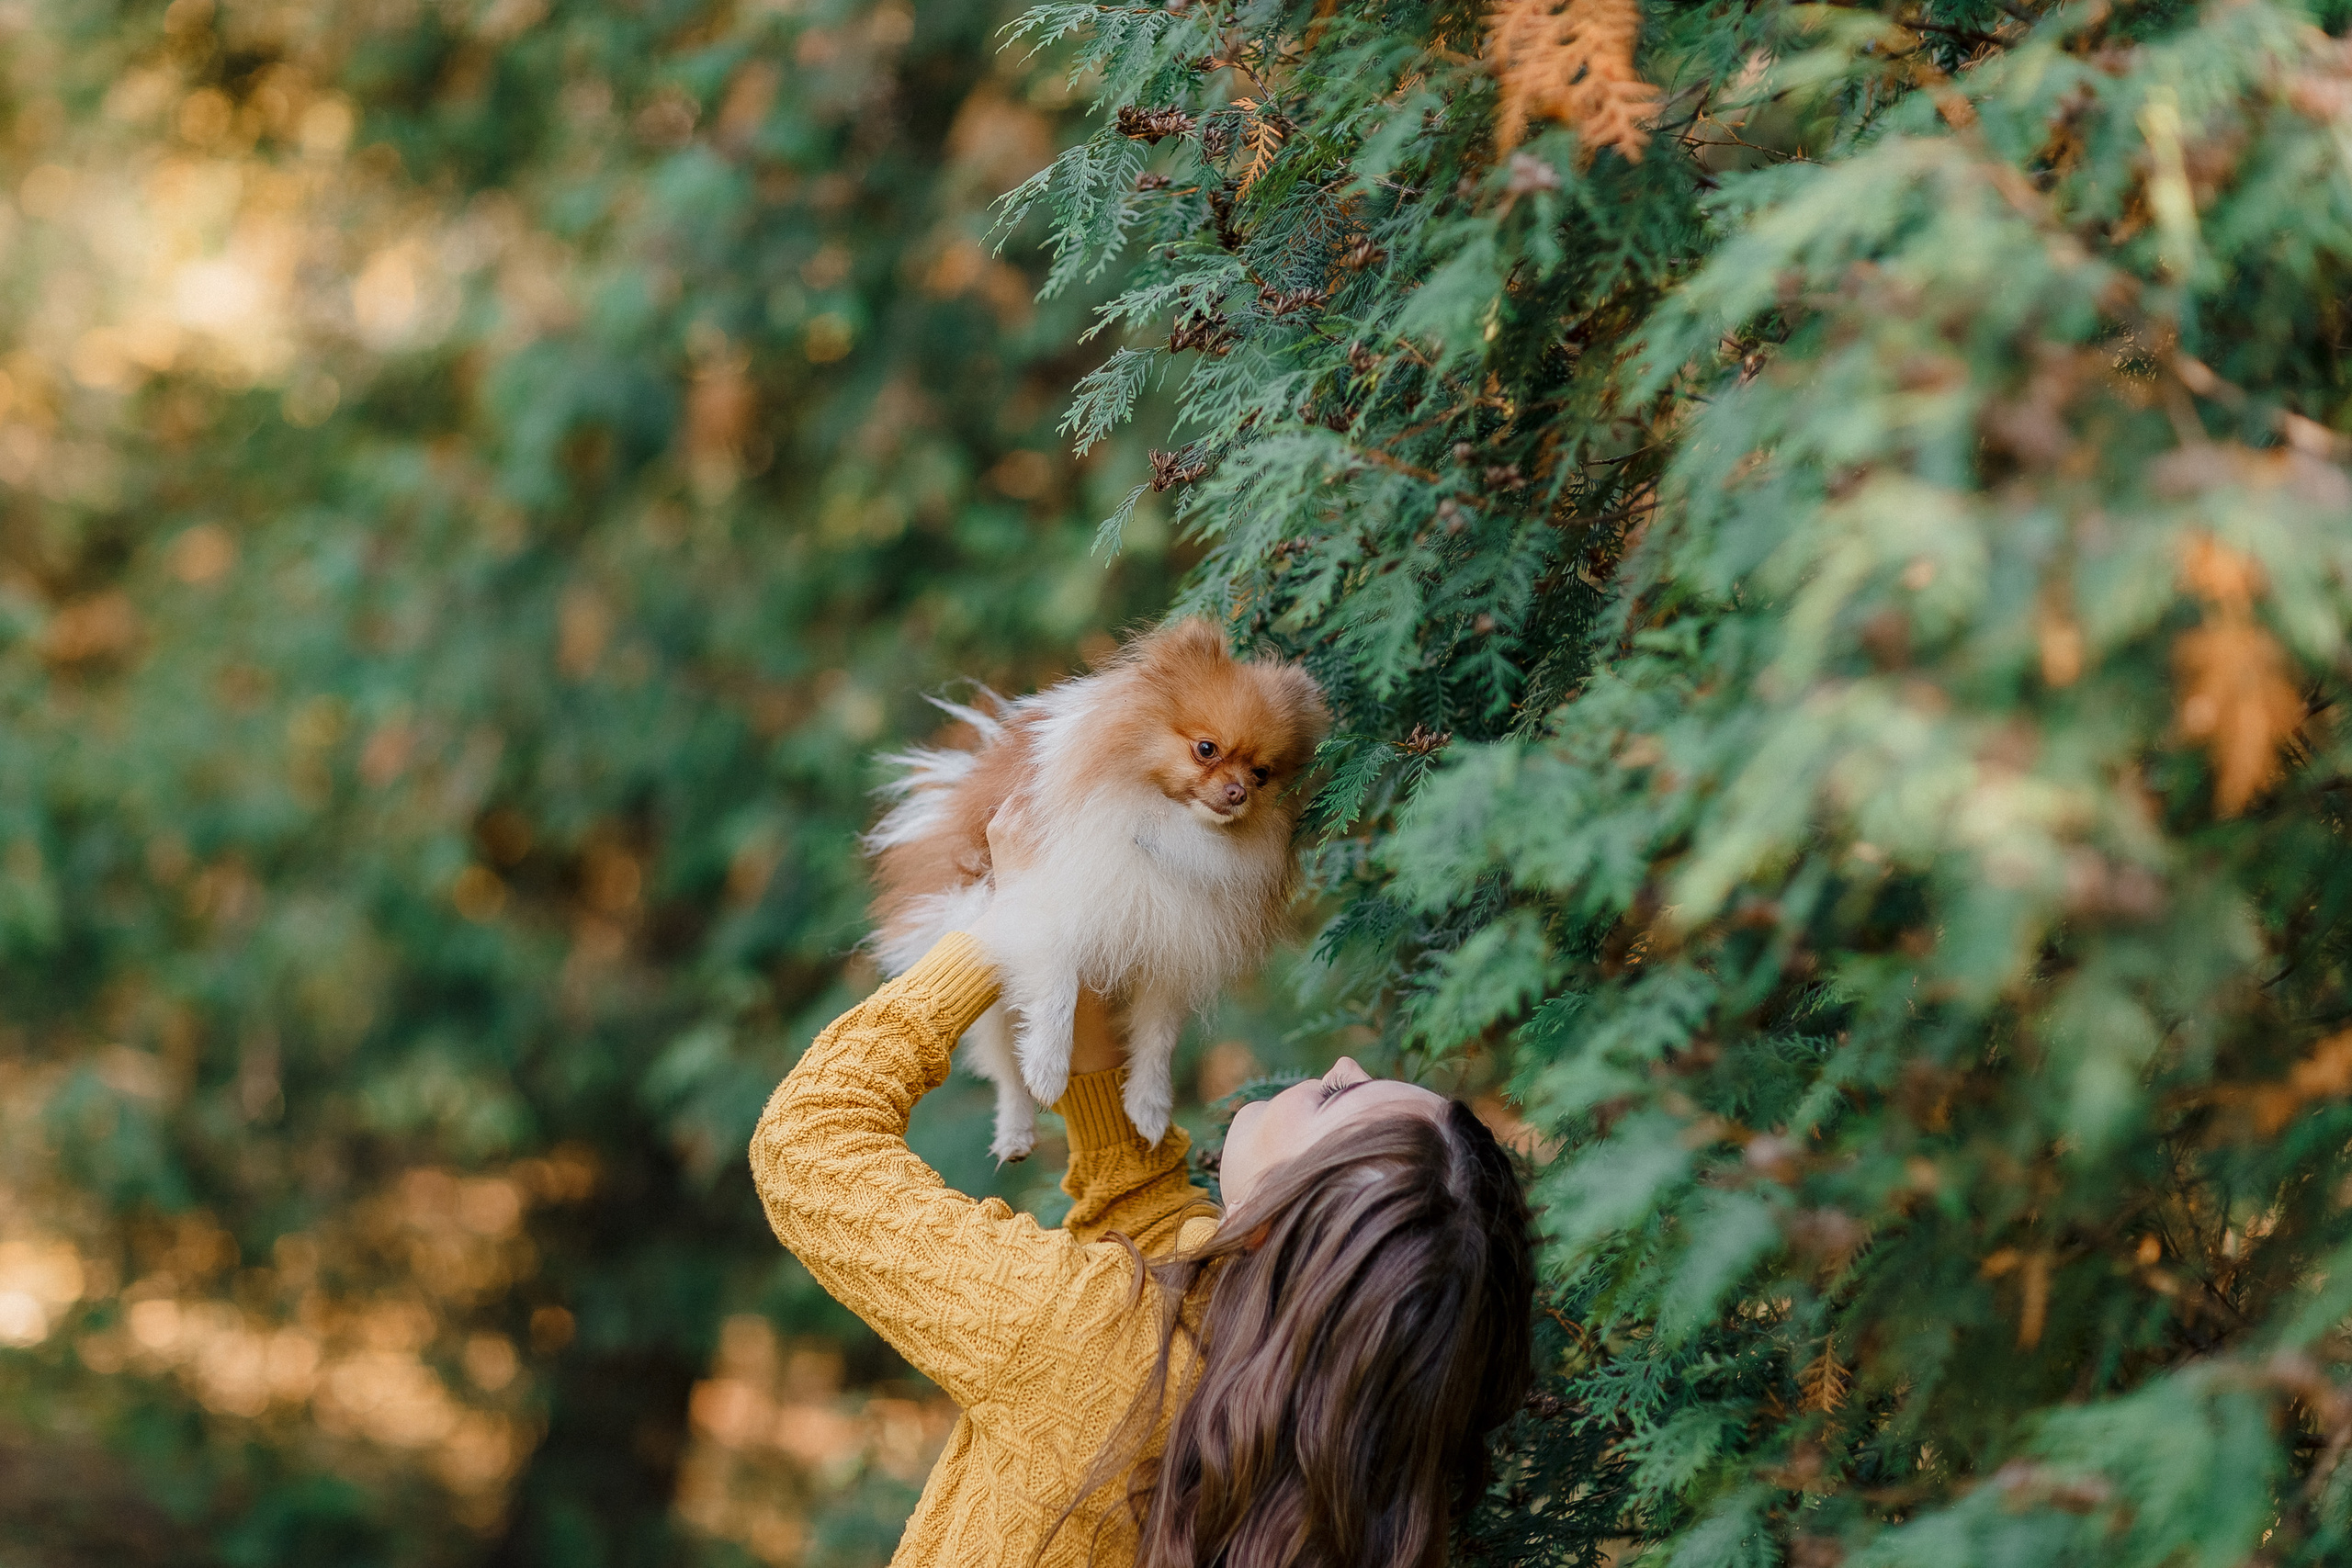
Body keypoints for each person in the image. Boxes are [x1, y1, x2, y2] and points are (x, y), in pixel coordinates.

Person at [749, 931, 1534, 1568]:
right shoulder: (1322, 1430)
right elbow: (1144, 1208)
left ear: (1273, 1219)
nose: (1342, 1062)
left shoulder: (1097, 1340)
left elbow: (808, 1144)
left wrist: (990, 929)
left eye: (1337, 1095)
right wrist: (1070, 915)